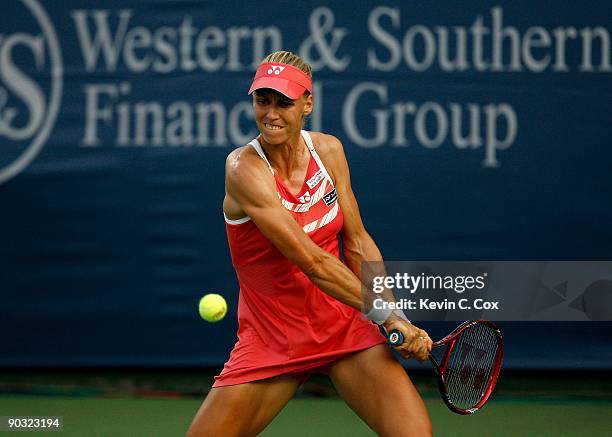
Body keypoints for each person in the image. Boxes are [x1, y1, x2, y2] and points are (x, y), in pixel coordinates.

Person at [187, 51, 433, 437]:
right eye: (262, 100)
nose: (271, 113)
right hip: (273, 337)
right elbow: (312, 261)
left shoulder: (329, 151)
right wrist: (387, 316)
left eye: (284, 102)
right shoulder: (243, 169)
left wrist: (394, 314)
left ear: (308, 104)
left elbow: (357, 242)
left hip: (343, 327)